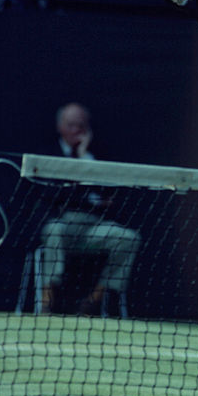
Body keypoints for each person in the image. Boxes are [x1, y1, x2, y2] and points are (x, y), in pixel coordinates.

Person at [40, 103, 141, 316]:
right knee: (52, 231)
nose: (77, 130)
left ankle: (93, 301)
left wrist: (85, 157)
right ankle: (47, 301)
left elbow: (109, 194)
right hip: (63, 223)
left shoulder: (97, 154)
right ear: (60, 127)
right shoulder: (48, 152)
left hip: (94, 226)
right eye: (71, 125)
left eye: (81, 125)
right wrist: (87, 198)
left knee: (128, 238)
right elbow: (57, 195)